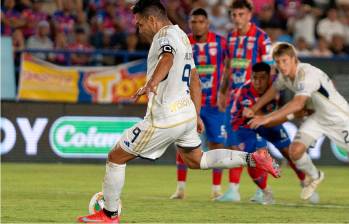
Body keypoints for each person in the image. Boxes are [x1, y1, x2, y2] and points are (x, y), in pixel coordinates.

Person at [77, 0, 280, 223]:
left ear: (152, 20)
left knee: (115, 157)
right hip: (185, 114)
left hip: (165, 118)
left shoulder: (163, 37)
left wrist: (151, 83)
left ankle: (109, 215)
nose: (139, 28)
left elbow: (167, 58)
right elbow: (194, 78)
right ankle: (253, 158)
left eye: (140, 23)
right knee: (197, 160)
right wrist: (196, 113)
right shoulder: (182, 35)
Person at [245, 42, 349, 200]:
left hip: (339, 118)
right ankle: (315, 176)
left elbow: (297, 104)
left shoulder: (307, 74)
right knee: (295, 151)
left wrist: (266, 118)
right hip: (317, 117)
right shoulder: (284, 76)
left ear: (294, 59)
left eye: (285, 61)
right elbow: (273, 91)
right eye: (278, 62)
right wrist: (254, 108)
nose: (281, 65)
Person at [217, 0, 273, 202]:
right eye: (234, 14)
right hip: (234, 101)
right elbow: (228, 68)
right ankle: (233, 190)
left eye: (241, 14)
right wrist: (222, 92)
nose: (237, 18)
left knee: (258, 149)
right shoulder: (230, 38)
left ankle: (263, 191)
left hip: (255, 101)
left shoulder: (261, 38)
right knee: (233, 146)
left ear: (250, 15)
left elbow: (270, 71)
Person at [169, 8, 228, 200]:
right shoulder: (183, 41)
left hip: (213, 104)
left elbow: (230, 66)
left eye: (201, 21)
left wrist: (224, 91)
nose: (197, 25)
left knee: (217, 145)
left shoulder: (220, 43)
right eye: (193, 21)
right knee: (183, 144)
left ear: (207, 24)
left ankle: (217, 190)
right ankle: (180, 189)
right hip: (188, 102)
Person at [231, 62, 307, 204]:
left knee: (290, 153)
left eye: (262, 78)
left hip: (270, 122)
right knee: (253, 159)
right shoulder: (245, 92)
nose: (258, 82)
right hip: (245, 126)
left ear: (269, 78)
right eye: (255, 78)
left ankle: (305, 180)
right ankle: (265, 191)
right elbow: (250, 115)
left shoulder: (277, 87)